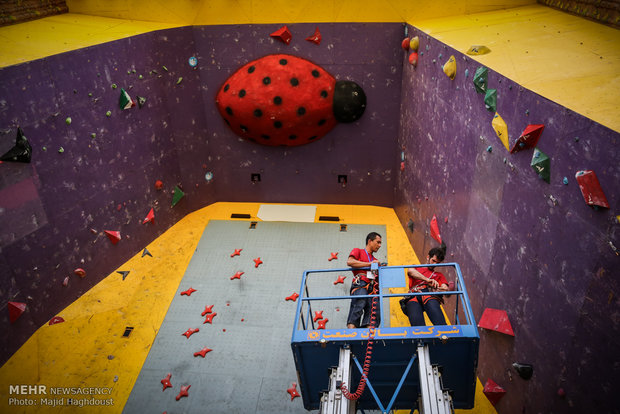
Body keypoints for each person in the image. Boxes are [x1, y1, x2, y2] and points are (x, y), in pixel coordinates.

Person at [404, 243, 449, 326]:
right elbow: (410, 271)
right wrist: (427, 280)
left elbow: (445, 288)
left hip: (429, 294)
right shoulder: (416, 267)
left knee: (441, 324)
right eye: (433, 261)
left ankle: (445, 335)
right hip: (413, 295)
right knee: (418, 328)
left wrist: (440, 288)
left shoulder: (439, 275)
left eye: (437, 263)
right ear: (428, 257)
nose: (434, 264)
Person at [346, 232, 382, 329]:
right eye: (378, 242)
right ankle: (351, 332)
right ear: (370, 241)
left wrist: (380, 268)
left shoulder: (375, 260)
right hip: (360, 282)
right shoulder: (358, 251)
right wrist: (369, 264)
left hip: (372, 285)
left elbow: (375, 276)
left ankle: (369, 332)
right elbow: (350, 262)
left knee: (374, 308)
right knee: (359, 303)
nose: (380, 245)